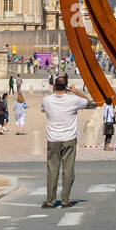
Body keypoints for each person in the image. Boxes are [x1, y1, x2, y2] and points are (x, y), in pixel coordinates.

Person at [40, 75, 93, 209]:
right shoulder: (73, 99)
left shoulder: (47, 100)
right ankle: (65, 200)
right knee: (68, 170)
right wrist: (75, 92)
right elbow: (87, 101)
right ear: (67, 87)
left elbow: (43, 109)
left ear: (54, 86)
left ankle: (50, 200)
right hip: (69, 137)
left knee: (52, 170)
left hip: (53, 138)